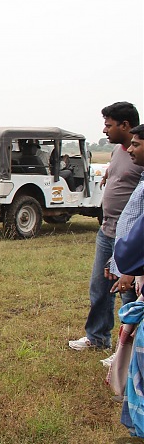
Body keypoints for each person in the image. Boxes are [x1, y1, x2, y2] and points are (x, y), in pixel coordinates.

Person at [69, 102, 143, 353]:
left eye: (108, 125)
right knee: (100, 289)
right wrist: (109, 173)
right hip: (107, 231)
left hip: (129, 237)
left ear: (125, 125)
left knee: (128, 292)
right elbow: (120, 174)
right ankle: (97, 338)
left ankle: (128, 351)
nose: (104, 131)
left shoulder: (140, 153)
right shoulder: (121, 152)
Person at [101, 124, 144, 367]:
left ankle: (128, 362)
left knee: (133, 313)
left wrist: (130, 269)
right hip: (132, 262)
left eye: (136, 145)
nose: (131, 149)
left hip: (137, 266)